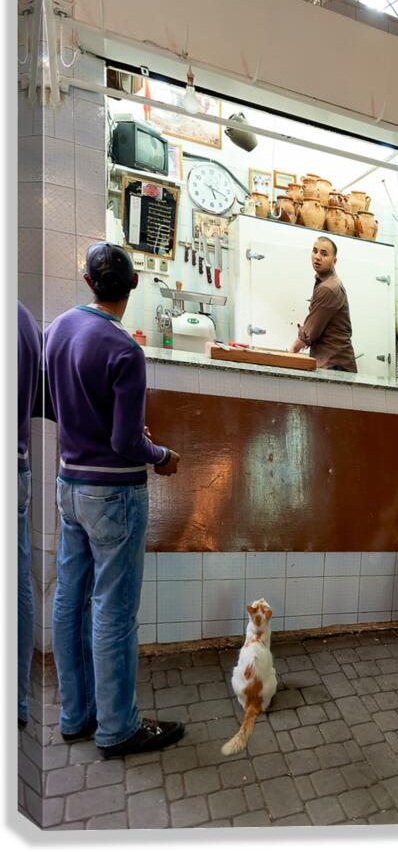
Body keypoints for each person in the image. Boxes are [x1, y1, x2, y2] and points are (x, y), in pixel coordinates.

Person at [45, 243, 184, 758]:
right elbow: (128, 444)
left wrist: (87, 426)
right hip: (115, 496)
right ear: (133, 287)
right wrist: (163, 453)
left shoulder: (56, 330)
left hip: (68, 487)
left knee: (69, 600)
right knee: (113, 611)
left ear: (87, 281)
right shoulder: (125, 350)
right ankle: (118, 729)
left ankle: (74, 716)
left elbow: (46, 401)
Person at [17, 301, 46, 729]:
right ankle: (18, 702)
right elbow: (42, 401)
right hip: (16, 465)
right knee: (18, 583)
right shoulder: (22, 318)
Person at [289, 236, 357, 372]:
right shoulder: (327, 283)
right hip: (333, 364)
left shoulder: (328, 288)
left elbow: (308, 333)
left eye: (324, 254)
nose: (317, 257)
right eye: (315, 251)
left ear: (334, 261)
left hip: (334, 367)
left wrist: (289, 353)